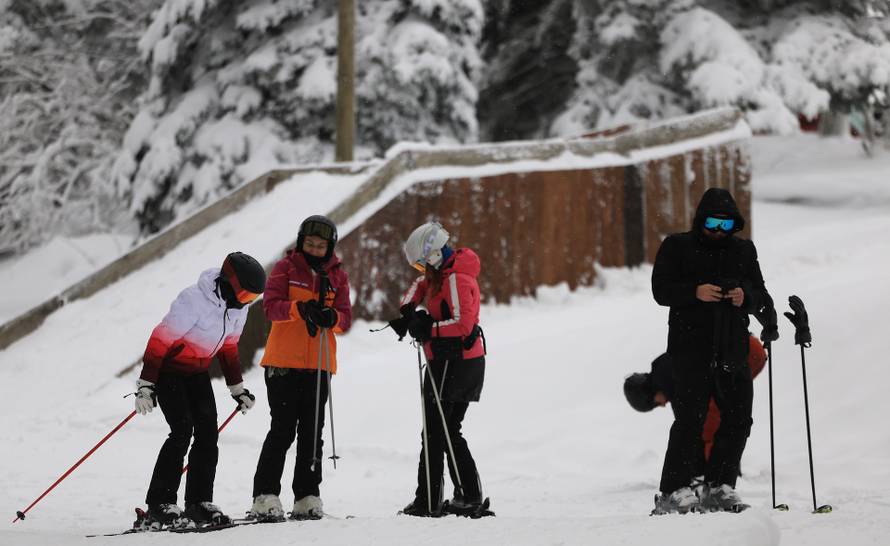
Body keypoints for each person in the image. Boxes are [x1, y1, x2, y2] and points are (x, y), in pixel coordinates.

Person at [649, 187, 773, 514]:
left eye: (726, 226)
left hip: (732, 348)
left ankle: (718, 486)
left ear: (735, 226)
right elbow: (660, 290)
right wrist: (695, 292)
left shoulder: (743, 251)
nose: (719, 232)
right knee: (691, 419)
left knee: (738, 418)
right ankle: (673, 491)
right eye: (713, 224)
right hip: (690, 349)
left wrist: (744, 297)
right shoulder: (678, 246)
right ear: (700, 221)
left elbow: (760, 292)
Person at [134, 252, 265, 529]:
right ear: (230, 283)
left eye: (251, 299)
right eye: (245, 296)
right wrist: (146, 385)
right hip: (169, 371)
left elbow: (229, 350)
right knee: (182, 431)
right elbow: (160, 339)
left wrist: (237, 389)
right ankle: (160, 503)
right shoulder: (194, 300)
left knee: (207, 434)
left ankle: (198, 502)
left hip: (197, 373)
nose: (246, 303)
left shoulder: (238, 309)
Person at [250, 215, 352, 521]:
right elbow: (271, 307)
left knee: (312, 433)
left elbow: (345, 319)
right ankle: (265, 495)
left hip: (319, 365)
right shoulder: (285, 268)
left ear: (329, 247)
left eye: (321, 245)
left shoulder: (338, 277)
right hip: (283, 363)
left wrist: (330, 319)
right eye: (310, 243)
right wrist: (300, 309)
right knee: (282, 430)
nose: (315, 249)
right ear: (300, 242)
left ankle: (307, 495)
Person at [392, 221, 490, 517]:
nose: (422, 271)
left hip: (457, 362)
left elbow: (463, 325)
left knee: (442, 431)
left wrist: (428, 329)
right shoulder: (441, 273)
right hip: (445, 360)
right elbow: (419, 287)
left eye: (423, 264)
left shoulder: (456, 279)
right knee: (440, 431)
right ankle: (442, 497)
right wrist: (409, 310)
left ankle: (454, 497)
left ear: (433, 256)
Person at [624, 335, 767, 474]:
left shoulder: (666, 377)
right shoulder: (665, 369)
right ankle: (722, 472)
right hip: (747, 347)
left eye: (654, 403)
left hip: (742, 352)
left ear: (649, 391)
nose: (662, 405)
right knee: (726, 411)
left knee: (710, 421)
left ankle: (718, 474)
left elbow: (689, 425)